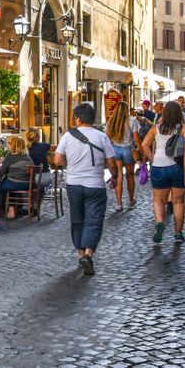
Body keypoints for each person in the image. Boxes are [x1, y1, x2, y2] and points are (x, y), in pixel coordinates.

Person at [54, 102, 119, 276]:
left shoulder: (67, 137)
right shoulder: (102, 137)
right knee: (94, 221)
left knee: (77, 220)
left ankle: (81, 254)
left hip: (74, 184)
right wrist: (115, 176)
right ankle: (88, 255)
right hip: (95, 185)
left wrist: (72, 162)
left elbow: (58, 161)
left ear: (77, 118)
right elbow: (112, 162)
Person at [139, 101, 185, 243]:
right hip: (178, 167)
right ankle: (178, 233)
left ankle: (160, 223)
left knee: (159, 200)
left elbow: (144, 145)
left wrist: (152, 159)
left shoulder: (156, 128)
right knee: (178, 202)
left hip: (159, 166)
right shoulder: (183, 128)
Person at [0, 135, 35, 219]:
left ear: (14, 145)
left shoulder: (11, 156)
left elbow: (2, 172)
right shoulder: (28, 157)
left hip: (14, 184)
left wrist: (1, 178)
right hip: (29, 185)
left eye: (10, 143)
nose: (9, 145)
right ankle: (11, 211)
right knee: (11, 187)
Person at [105, 101, 141, 211]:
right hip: (128, 149)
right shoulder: (132, 121)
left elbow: (107, 138)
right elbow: (136, 139)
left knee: (118, 176)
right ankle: (130, 200)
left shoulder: (111, 121)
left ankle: (119, 203)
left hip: (115, 149)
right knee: (129, 176)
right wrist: (141, 152)